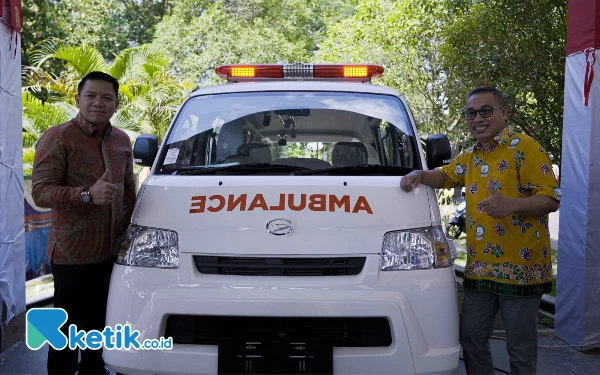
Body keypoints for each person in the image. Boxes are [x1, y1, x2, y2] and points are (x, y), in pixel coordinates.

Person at [400, 87, 560, 375]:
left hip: (521, 269)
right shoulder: (471, 154)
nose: (478, 119)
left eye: (486, 111)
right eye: (471, 113)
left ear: (504, 112)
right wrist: (420, 175)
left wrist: (511, 205)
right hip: (480, 267)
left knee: (520, 349)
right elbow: (447, 175)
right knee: (471, 338)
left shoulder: (525, 148)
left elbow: (551, 199)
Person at [32, 71, 136, 375]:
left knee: (100, 331)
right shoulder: (59, 137)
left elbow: (128, 189)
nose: (98, 103)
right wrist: (87, 195)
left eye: (107, 97)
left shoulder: (122, 141)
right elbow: (40, 192)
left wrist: (128, 231)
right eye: (90, 96)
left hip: (112, 253)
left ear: (117, 103)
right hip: (73, 254)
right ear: (77, 99)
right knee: (66, 337)